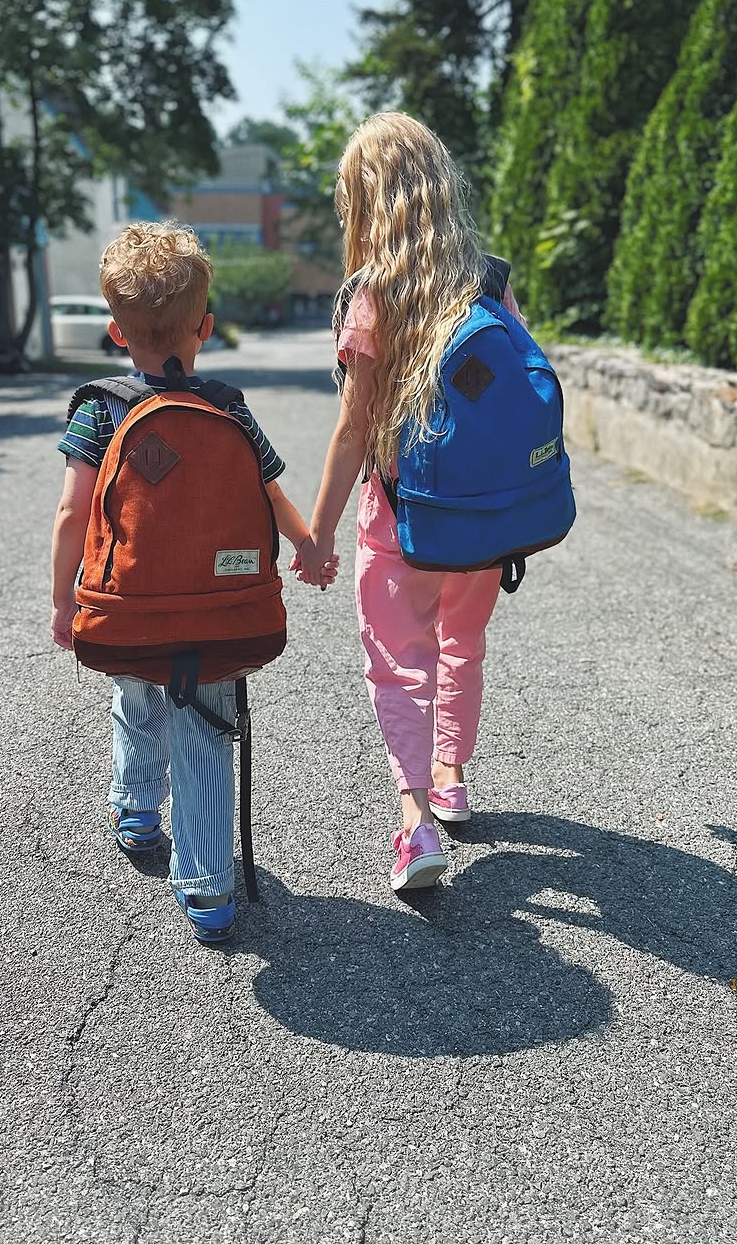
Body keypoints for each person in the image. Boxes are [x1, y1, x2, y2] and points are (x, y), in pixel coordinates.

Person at [50, 222, 322, 942]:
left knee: (135, 695)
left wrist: (64, 599)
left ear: (116, 332)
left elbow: (74, 511)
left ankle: (137, 812)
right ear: (205, 327)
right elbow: (268, 489)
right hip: (220, 611)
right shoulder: (228, 406)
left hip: (127, 606)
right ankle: (208, 891)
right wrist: (308, 545)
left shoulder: (99, 408)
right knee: (205, 729)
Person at [294, 113, 528, 892]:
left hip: (402, 517)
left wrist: (318, 535)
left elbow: (351, 430)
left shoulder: (374, 296)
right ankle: (452, 774)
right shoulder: (488, 281)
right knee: (463, 644)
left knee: (400, 667)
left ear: (367, 200)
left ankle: (416, 821)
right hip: (482, 520)